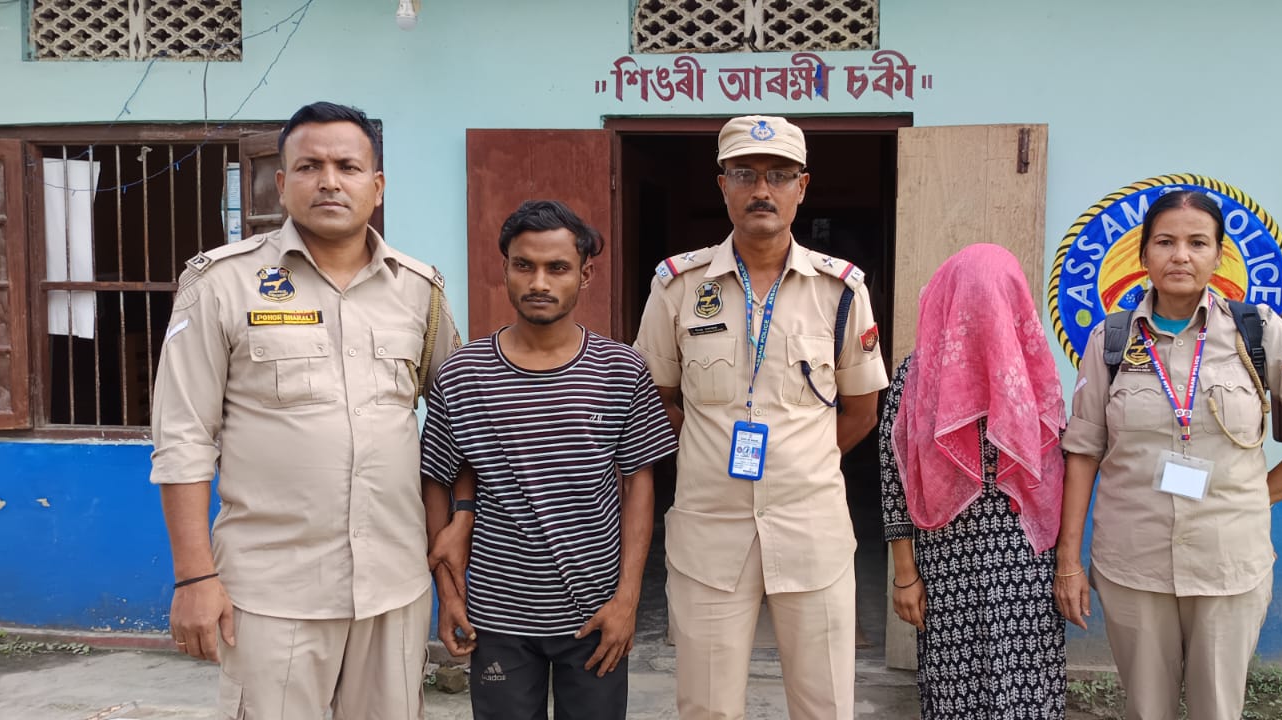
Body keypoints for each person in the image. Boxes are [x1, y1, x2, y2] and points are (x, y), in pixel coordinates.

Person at [150, 101, 460, 718]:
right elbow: (183, 438)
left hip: (393, 587)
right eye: (309, 166)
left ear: (377, 186)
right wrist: (193, 577)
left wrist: (452, 549)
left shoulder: (418, 291)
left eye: (348, 166)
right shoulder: (222, 284)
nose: (329, 181)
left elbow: (455, 424)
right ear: (282, 182)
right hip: (272, 592)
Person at [1054, 190, 1282, 720]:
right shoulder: (1111, 339)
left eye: (1197, 243)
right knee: (1146, 710)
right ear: (1143, 255)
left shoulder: (1258, 331)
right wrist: (1068, 561)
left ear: (1219, 255)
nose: (1180, 256)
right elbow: (1082, 451)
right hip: (1133, 562)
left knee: (1217, 709)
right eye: (1164, 242)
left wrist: (1260, 498)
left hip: (1228, 562)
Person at [632, 115, 889, 720]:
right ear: (722, 184)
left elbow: (862, 409)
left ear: (803, 186)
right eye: (745, 174)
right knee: (707, 707)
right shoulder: (677, 286)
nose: (762, 190)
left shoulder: (841, 290)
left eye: (779, 175)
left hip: (811, 528)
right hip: (710, 531)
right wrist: (705, 450)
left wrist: (801, 461)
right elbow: (658, 396)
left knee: (824, 704)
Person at [420, 200, 678, 719]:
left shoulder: (621, 370)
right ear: (505, 269)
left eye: (557, 267)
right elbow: (437, 481)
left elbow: (639, 486)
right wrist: (448, 595)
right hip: (496, 615)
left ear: (585, 274)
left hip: (596, 613)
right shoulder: (463, 374)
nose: (539, 281)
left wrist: (627, 600)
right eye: (524, 265)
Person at [881, 244, 1071, 720]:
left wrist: (1068, 563)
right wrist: (904, 574)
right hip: (947, 567)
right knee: (955, 695)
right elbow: (894, 477)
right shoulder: (916, 376)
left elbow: (1061, 471)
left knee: (1025, 691)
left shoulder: (1033, 371)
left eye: (995, 301)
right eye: (972, 301)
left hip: (1026, 567)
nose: (983, 313)